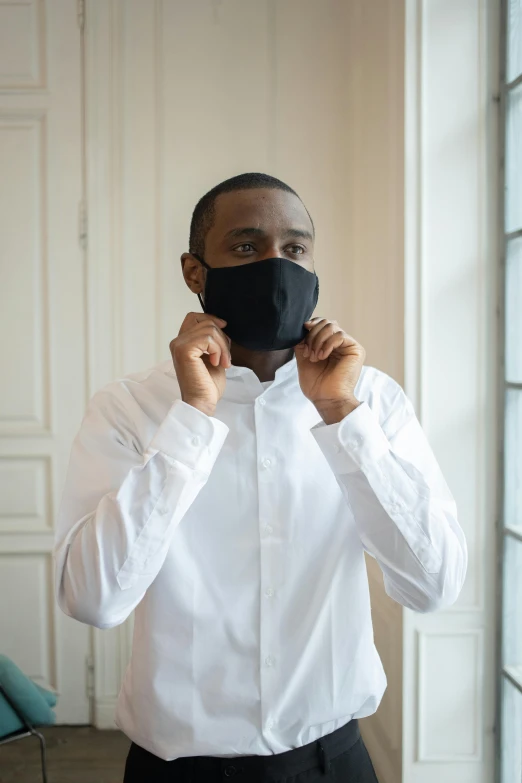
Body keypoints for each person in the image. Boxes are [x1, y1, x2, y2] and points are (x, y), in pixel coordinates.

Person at [54, 173, 467, 782]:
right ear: (196, 273)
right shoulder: (129, 409)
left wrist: (341, 416)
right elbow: (94, 600)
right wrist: (192, 419)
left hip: (335, 762)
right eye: (247, 247)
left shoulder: (371, 402)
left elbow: (433, 586)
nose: (276, 266)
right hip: (179, 770)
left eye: (295, 249)